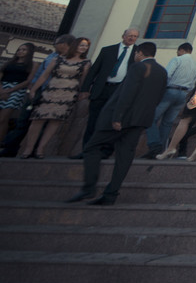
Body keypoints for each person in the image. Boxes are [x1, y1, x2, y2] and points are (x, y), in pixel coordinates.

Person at [66, 42, 166, 205]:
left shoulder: (137, 68)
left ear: (139, 53)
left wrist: (118, 117)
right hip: (140, 121)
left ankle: (89, 188)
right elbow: (158, 98)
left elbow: (127, 93)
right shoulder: (162, 71)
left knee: (91, 148)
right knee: (124, 156)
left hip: (120, 119)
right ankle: (111, 193)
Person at [20, 37, 91, 159]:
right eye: (81, 45)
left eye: (86, 46)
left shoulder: (86, 62)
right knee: (38, 119)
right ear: (75, 45)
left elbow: (83, 81)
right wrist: (34, 89)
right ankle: (28, 148)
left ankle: (41, 148)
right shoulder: (58, 59)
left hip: (68, 94)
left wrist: (83, 93)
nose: (84, 47)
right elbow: (44, 75)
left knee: (55, 121)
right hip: (51, 90)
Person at [74, 28, 138, 157]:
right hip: (102, 89)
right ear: (123, 36)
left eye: (135, 36)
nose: (132, 38)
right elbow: (94, 70)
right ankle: (87, 150)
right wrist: (85, 89)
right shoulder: (108, 50)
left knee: (112, 122)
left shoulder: (137, 53)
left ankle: (105, 151)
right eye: (129, 35)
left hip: (119, 90)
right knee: (93, 121)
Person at [143, 42, 196, 158]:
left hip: (171, 90)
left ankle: (155, 144)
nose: (177, 53)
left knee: (151, 118)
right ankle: (162, 150)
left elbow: (167, 75)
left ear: (181, 50)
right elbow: (194, 82)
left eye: (178, 51)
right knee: (168, 123)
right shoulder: (195, 65)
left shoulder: (177, 60)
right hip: (184, 94)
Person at [0, 42, 37, 142]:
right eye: (19, 49)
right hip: (3, 86)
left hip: (17, 89)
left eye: (24, 50)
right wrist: (2, 90)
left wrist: (11, 90)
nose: (20, 51)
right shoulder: (9, 63)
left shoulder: (32, 64)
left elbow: (28, 80)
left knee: (3, 119)